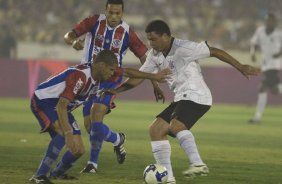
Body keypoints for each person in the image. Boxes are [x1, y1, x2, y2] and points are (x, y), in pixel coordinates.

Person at [101, 20, 260, 183]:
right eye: (149, 39)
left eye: (154, 39)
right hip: (181, 97)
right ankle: (169, 179)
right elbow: (139, 76)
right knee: (155, 130)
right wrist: (117, 90)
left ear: (166, 36)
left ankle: (198, 163)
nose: (151, 43)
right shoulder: (154, 55)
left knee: (176, 125)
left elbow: (215, 51)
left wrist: (240, 66)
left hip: (196, 94)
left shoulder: (185, 48)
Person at [29, 50, 170, 184]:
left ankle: (57, 174)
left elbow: (127, 71)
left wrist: (154, 77)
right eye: (111, 70)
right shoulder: (80, 76)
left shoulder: (99, 73)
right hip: (43, 102)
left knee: (78, 150)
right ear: (101, 66)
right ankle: (39, 176)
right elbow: (61, 106)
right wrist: (68, 132)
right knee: (62, 137)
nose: (112, 74)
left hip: (61, 107)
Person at [64, 0, 165, 173]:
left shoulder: (127, 33)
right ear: (106, 10)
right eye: (111, 13)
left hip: (111, 79)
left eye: (117, 13)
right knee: (91, 127)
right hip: (90, 78)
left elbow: (145, 59)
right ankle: (118, 139)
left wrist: (154, 83)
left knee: (97, 115)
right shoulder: (94, 21)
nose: (113, 17)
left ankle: (92, 165)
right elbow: (69, 35)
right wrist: (73, 42)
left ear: (122, 13)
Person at [248, 12, 282, 124]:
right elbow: (253, 42)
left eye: (271, 20)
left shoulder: (279, 33)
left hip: (275, 64)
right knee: (275, 90)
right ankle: (257, 117)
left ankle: (257, 117)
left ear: (275, 22)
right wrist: (252, 53)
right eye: (268, 20)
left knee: (262, 87)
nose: (269, 22)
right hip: (265, 64)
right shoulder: (260, 31)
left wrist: (280, 53)